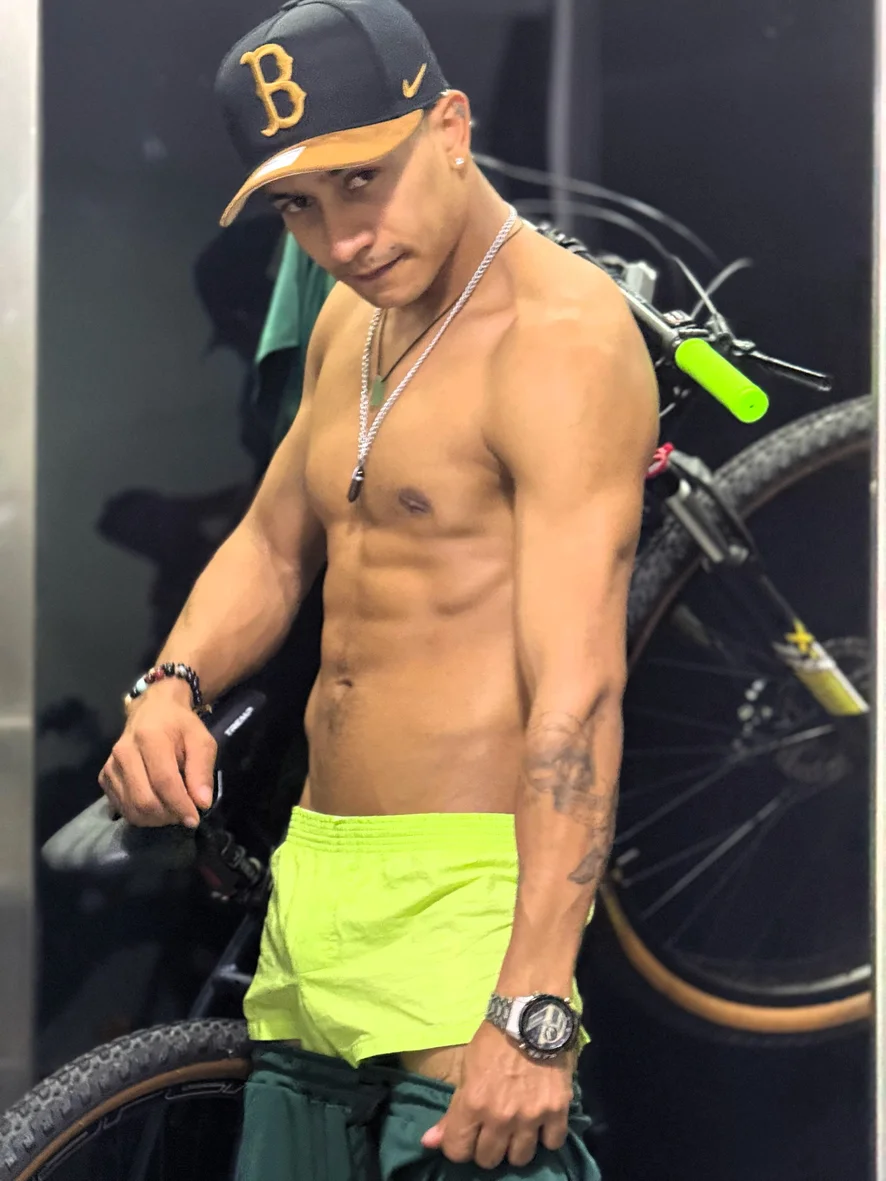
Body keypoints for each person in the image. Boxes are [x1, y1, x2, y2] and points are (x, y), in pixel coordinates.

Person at [99, 0, 659, 1177]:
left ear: (449, 126)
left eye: (363, 180)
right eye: (300, 205)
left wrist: (533, 1001)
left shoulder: (559, 339)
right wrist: (171, 682)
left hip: (469, 902)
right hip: (318, 883)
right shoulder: (351, 316)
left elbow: (580, 689)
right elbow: (272, 543)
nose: (341, 237)